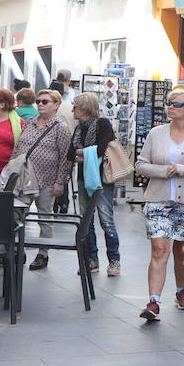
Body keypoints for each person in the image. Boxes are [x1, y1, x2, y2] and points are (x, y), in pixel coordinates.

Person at [135, 88, 184, 321]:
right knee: (159, 249)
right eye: (169, 103)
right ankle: (153, 302)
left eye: (177, 104)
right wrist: (164, 171)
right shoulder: (155, 133)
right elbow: (140, 165)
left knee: (183, 251)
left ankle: (181, 291)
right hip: (157, 199)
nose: (170, 107)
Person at [13, 90, 73, 270]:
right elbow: (18, 147)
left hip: (47, 180)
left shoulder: (60, 128)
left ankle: (43, 253)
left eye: (45, 102)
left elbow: (65, 157)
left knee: (44, 217)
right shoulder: (29, 123)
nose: (40, 104)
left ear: (56, 105)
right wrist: (12, 166)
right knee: (17, 215)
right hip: (24, 178)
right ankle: (17, 248)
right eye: (38, 101)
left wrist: (60, 181)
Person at [69, 92, 122, 276]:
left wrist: (82, 153)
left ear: (84, 108)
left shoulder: (103, 124)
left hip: (103, 180)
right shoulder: (78, 129)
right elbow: (70, 154)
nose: (72, 110)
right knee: (86, 221)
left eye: (75, 106)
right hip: (83, 179)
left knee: (106, 220)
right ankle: (92, 260)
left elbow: (100, 150)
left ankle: (114, 260)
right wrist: (85, 154)